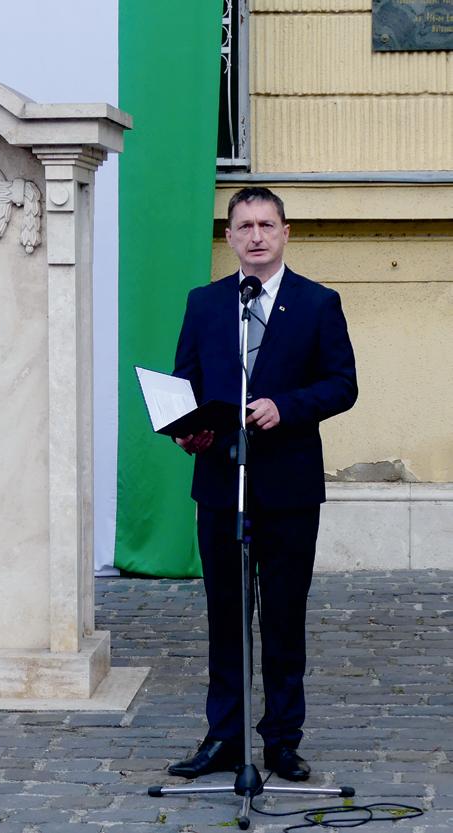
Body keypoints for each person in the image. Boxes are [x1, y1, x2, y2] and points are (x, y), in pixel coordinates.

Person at [168, 187, 357, 782]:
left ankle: (281, 740)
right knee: (225, 617)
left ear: (285, 233)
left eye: (266, 225)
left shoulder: (318, 303)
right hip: (220, 485)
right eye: (244, 226)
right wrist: (185, 430)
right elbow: (185, 382)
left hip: (289, 488)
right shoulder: (204, 303)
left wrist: (287, 406)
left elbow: (342, 384)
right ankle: (224, 737)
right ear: (228, 237)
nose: (255, 236)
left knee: (282, 618)